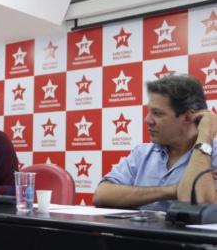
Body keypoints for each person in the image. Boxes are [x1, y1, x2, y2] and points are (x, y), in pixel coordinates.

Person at [93, 75, 217, 211]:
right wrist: (173, 190)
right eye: (149, 112)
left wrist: (205, 135)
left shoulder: (214, 154)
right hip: (137, 233)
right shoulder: (142, 153)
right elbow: (101, 194)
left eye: (157, 113)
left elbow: (200, 201)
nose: (147, 120)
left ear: (188, 116)